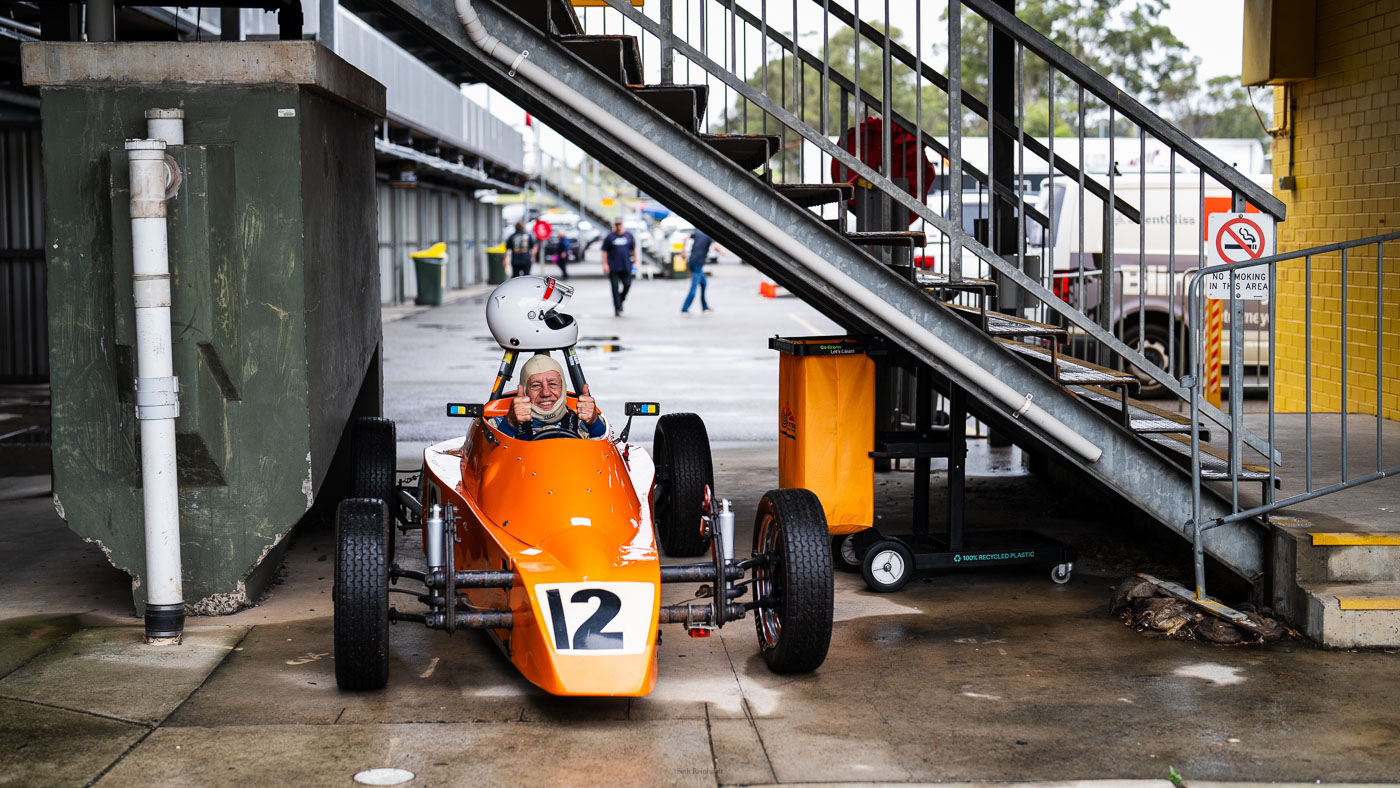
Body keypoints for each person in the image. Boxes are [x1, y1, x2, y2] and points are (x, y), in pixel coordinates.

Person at [494, 353, 605, 440]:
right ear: (524, 390)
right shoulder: (498, 424)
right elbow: (485, 454)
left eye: (552, 384)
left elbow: (604, 451)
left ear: (563, 387)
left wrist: (594, 423)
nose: (545, 393)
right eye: (536, 386)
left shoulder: (584, 423)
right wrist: (510, 424)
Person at [600, 219, 637, 316]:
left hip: (626, 266)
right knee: (615, 288)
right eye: (616, 224)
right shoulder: (610, 237)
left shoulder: (629, 235)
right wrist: (605, 264)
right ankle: (618, 308)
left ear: (622, 224)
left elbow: (633, 249)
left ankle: (620, 299)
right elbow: (604, 251)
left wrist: (636, 262)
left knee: (627, 285)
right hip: (614, 267)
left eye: (619, 224)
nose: (618, 226)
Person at [681, 228, 719, 313]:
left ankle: (704, 306)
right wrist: (721, 251)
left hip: (693, 261)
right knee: (694, 288)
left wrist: (683, 251)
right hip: (697, 264)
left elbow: (685, 238)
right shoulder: (708, 235)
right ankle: (685, 308)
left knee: (704, 283)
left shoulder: (698, 231)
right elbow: (714, 245)